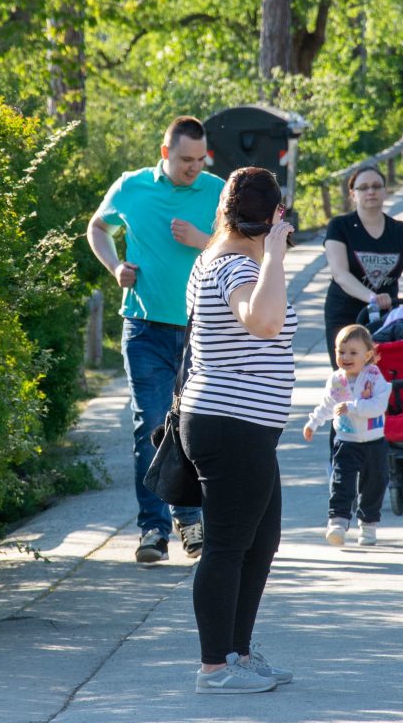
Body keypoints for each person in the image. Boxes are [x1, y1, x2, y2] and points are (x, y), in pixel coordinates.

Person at [180, 166, 297, 694]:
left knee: (261, 542)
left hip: (246, 426)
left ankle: (238, 652)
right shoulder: (232, 266)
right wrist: (274, 252)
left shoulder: (227, 258)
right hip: (231, 424)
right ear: (275, 215)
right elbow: (264, 323)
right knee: (227, 546)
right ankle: (214, 667)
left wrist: (270, 253)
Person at [86, 116, 223, 564]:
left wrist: (203, 240)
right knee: (151, 426)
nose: (193, 169)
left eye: (200, 160)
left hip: (200, 328)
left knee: (192, 428)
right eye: (185, 160)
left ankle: (190, 521)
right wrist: (115, 268)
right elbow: (98, 228)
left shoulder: (218, 190)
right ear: (165, 154)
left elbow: (245, 246)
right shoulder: (131, 187)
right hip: (144, 328)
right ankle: (154, 531)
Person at [323, 165, 403, 369]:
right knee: (347, 376)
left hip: (385, 316)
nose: (371, 191)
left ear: (385, 191)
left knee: (383, 377)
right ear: (353, 194)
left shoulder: (401, 231)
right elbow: (340, 274)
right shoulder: (340, 227)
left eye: (376, 186)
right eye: (363, 187)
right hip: (346, 311)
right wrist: (372, 298)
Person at [303, 324, 392, 547]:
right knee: (341, 481)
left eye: (353, 353)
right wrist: (313, 423)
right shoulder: (336, 380)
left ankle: (368, 525)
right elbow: (326, 404)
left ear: (368, 355)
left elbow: (378, 405)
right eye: (341, 352)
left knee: (375, 483)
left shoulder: (374, 377)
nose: (346, 357)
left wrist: (353, 406)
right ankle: (338, 523)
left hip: (373, 441)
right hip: (346, 440)